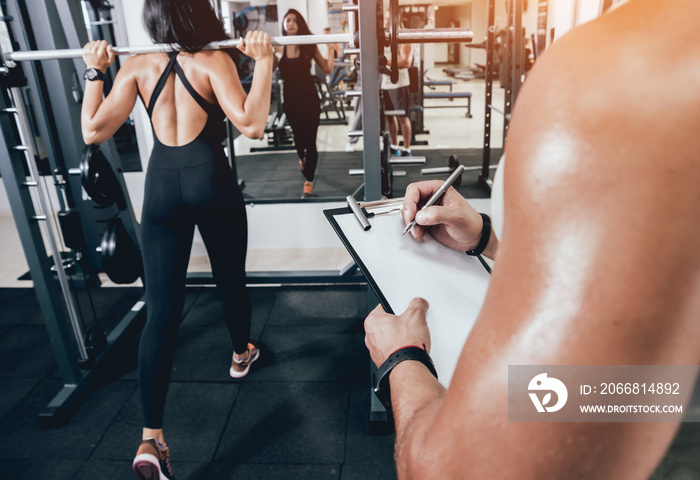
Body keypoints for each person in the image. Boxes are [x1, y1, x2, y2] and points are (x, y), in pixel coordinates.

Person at [364, 0, 700, 478]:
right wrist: (488, 240)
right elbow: (651, 357)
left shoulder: (626, 73)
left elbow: (457, 472)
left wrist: (401, 356)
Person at [80, 1, 272, 478]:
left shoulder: (137, 66)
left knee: (160, 312)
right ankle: (240, 353)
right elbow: (251, 124)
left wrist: (93, 73)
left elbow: (92, 130)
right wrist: (265, 61)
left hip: (162, 186)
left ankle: (151, 439)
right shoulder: (215, 62)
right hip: (211, 180)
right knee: (231, 280)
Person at [275, 9, 339, 198]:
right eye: (288, 20)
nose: (291, 23)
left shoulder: (308, 45)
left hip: (310, 100)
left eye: (295, 20)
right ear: (284, 24)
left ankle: (308, 183)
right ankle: (302, 159)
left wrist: (332, 48)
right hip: (291, 102)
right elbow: (268, 68)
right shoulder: (278, 47)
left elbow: (327, 67)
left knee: (310, 142)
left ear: (299, 23)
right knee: (298, 140)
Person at [381, 8, 414, 157]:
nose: (387, 21)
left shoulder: (404, 36)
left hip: (399, 82)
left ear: (398, 19)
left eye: (390, 19)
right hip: (384, 82)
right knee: (389, 116)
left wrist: (383, 61)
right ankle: (394, 146)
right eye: (386, 18)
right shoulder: (382, 35)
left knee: (402, 116)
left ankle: (407, 148)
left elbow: (406, 62)